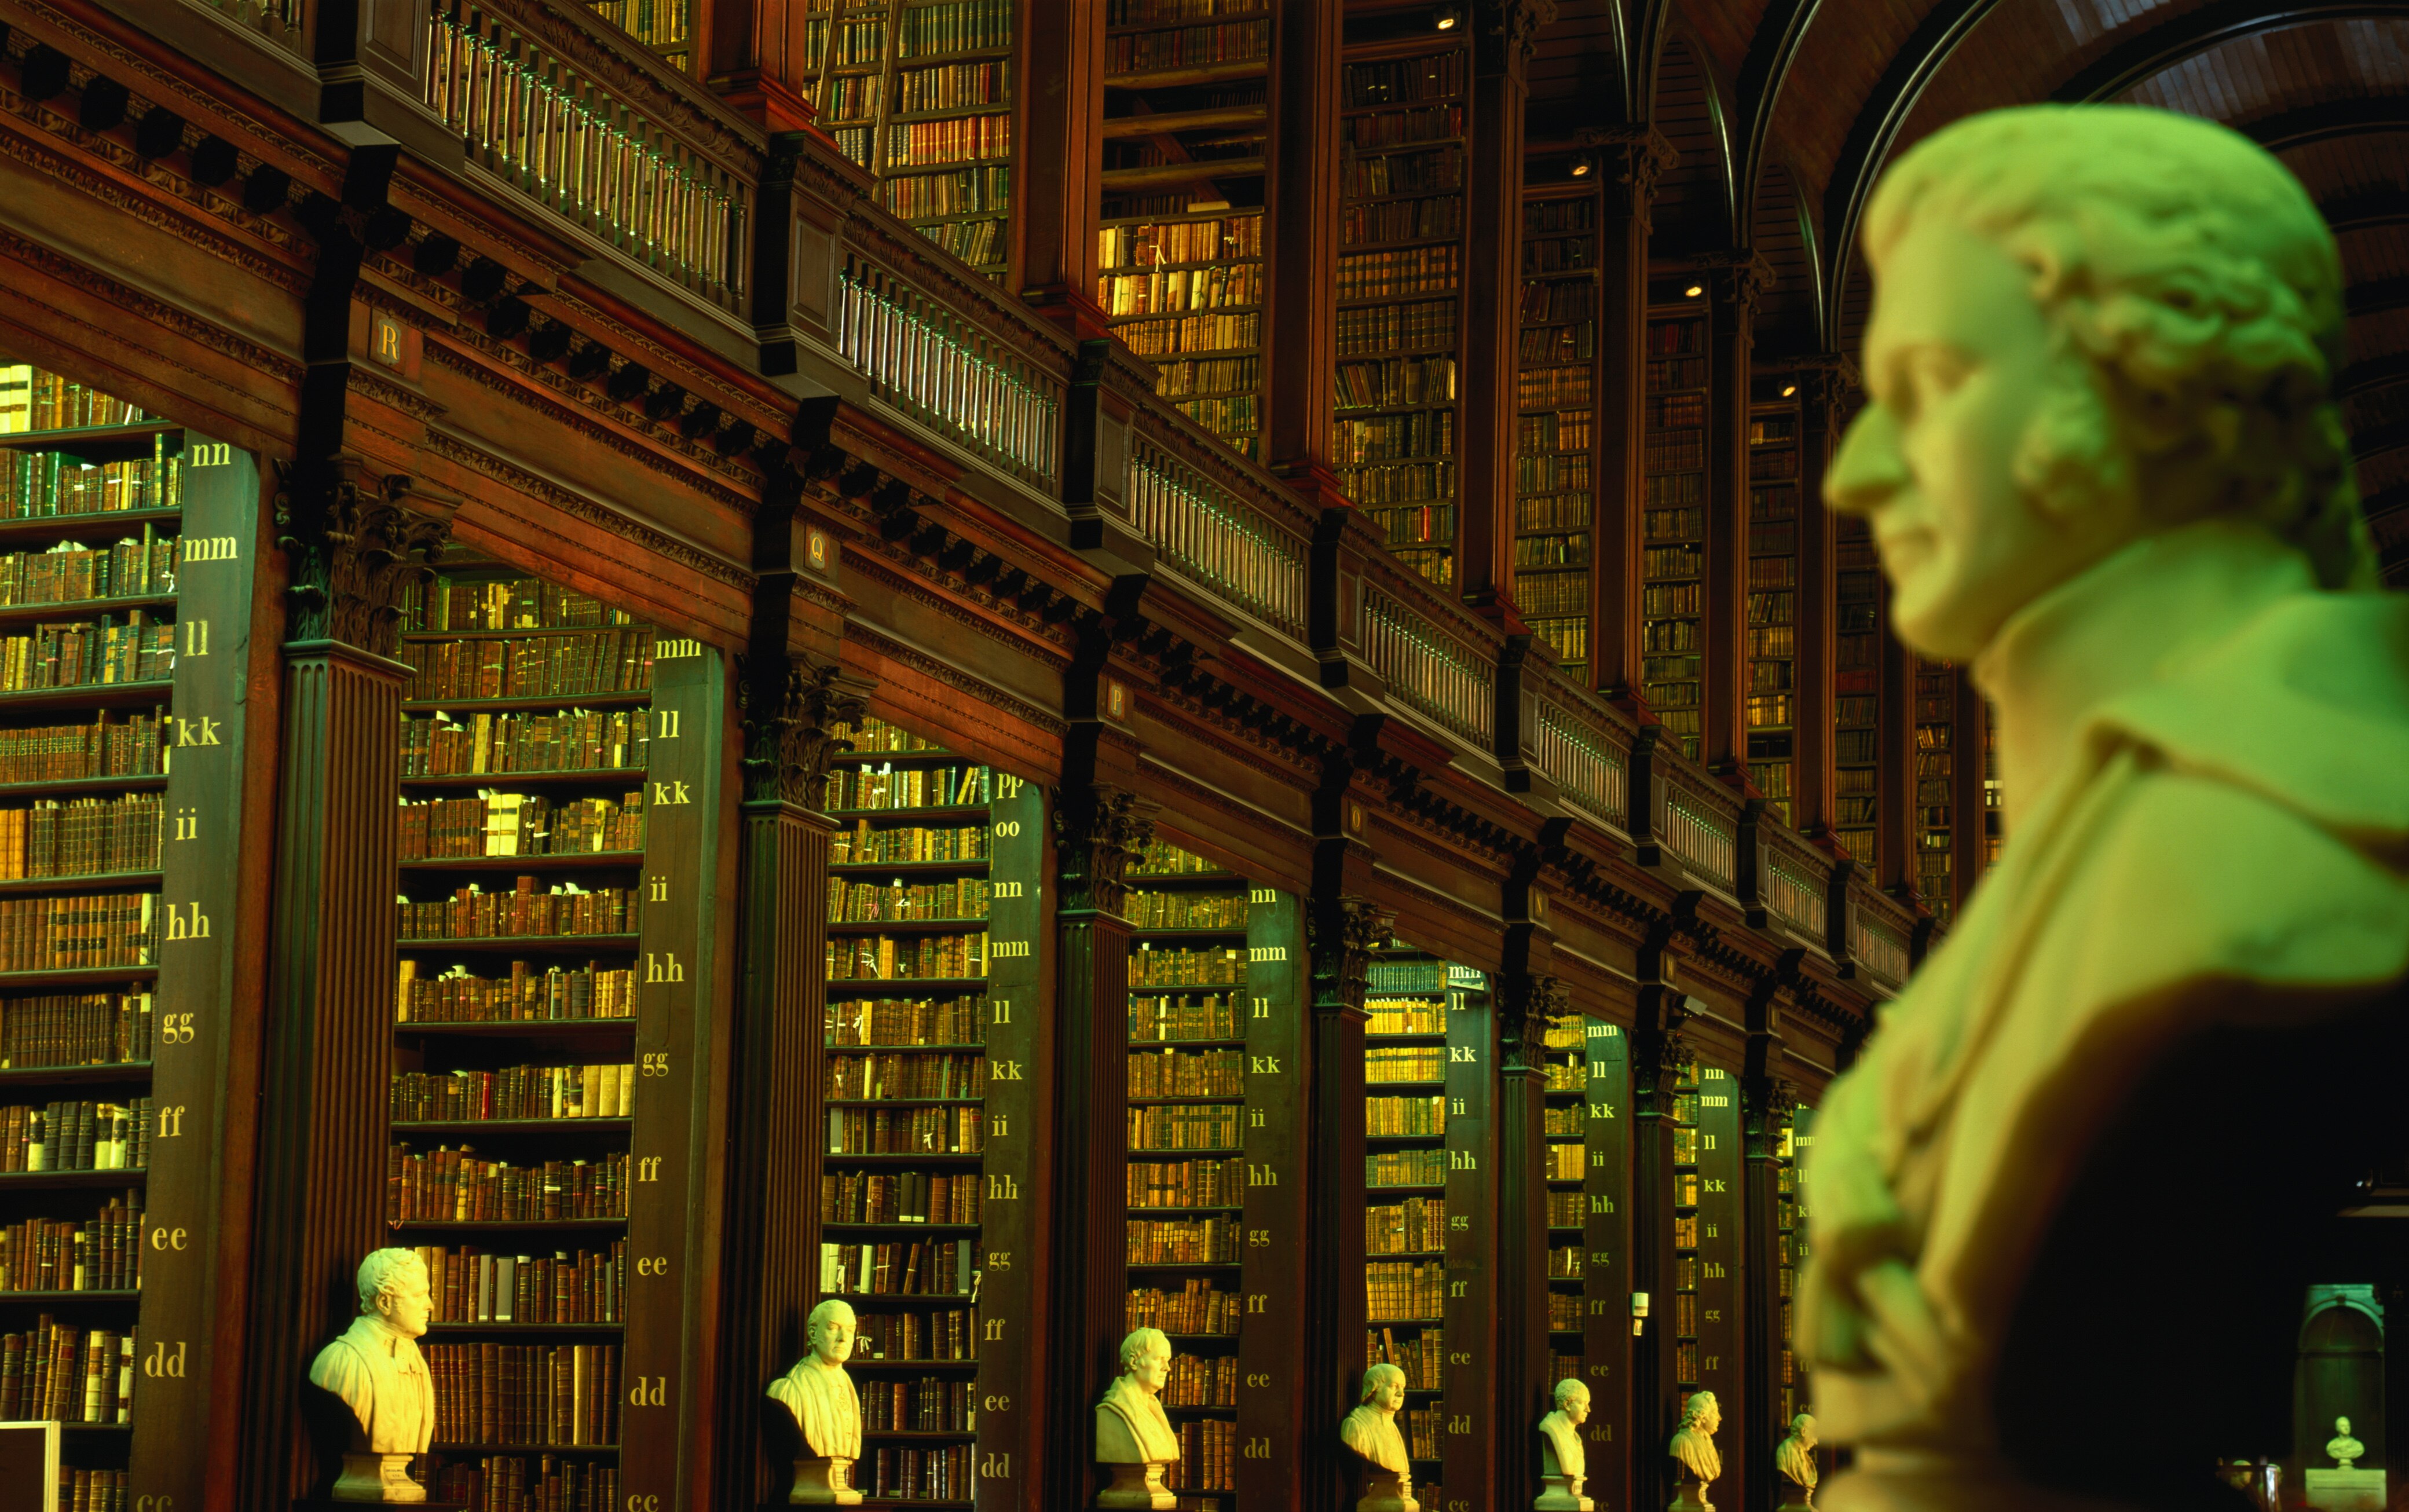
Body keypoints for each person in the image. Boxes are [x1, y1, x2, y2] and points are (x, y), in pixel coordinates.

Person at [1805, 103, 2409, 1511]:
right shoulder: (2101, 827)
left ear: (2129, 397)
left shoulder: (2309, 824)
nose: (1858, 469)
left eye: (1936, 383)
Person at [307, 1248, 437, 1503]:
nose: (430, 1305)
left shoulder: (416, 1361)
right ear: (385, 1303)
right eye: (420, 1295)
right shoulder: (341, 1361)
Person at [770, 1298, 864, 1502]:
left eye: (850, 1330)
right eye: (833, 1328)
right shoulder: (789, 1390)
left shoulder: (849, 1387)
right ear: (813, 1333)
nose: (843, 1338)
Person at [1097, 1327, 1179, 1509]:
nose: (1167, 1368)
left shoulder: (1154, 1408)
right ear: (1134, 1361)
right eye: (1160, 1360)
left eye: (1168, 1360)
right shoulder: (1112, 1411)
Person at [1341, 1363, 1416, 1511]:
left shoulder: (1392, 1426)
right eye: (1394, 1386)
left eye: (1403, 1387)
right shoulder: (1356, 1426)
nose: (1402, 1393)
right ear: (1374, 1389)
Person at [1535, 1377, 1592, 1510]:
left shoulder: (1575, 1437)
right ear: (1567, 1404)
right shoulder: (1551, 1429)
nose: (1588, 1409)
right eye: (1583, 1403)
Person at [1668, 1390, 1722, 1491]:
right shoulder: (1682, 1441)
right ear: (1702, 1416)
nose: (1719, 1418)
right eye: (1715, 1413)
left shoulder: (1707, 1442)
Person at [1774, 1414, 1818, 1507]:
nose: (1816, 1442)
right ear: (1804, 1431)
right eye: (1814, 1436)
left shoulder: (1806, 1458)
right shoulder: (1784, 1452)